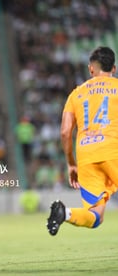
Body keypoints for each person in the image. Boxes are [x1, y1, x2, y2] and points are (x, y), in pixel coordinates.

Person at [47, 46, 118, 236]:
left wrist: (71, 163)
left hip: (86, 155)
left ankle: (66, 213)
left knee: (96, 215)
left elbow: (64, 132)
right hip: (113, 151)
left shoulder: (75, 94)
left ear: (91, 69)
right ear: (114, 68)